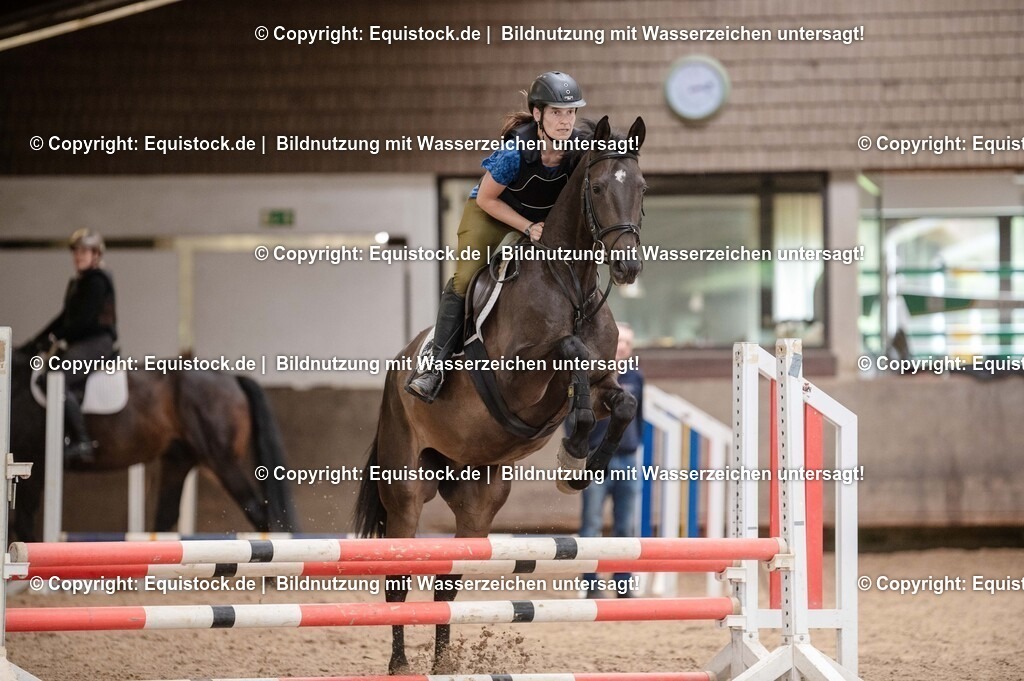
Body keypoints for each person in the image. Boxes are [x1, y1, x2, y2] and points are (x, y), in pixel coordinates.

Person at [406, 70, 588, 403]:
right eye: (557, 113)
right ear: (538, 114)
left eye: (571, 112)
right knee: (465, 279)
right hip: (493, 211)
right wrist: (527, 227)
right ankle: (434, 366)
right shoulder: (515, 151)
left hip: (541, 215)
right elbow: (488, 199)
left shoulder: (579, 147)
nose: (565, 121)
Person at [28, 228, 117, 467]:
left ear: (96, 254)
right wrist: (36, 341)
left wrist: (55, 337)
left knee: (56, 377)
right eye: (76, 251)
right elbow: (65, 318)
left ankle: (82, 440)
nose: (79, 256)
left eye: (84, 251)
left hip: (97, 342)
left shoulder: (97, 281)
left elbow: (83, 321)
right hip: (82, 341)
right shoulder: (78, 283)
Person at [574, 322, 644, 598]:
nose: (622, 347)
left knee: (625, 525)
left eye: (627, 343)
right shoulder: (591, 377)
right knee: (591, 522)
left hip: (628, 458)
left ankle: (623, 582)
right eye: (619, 342)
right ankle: (590, 583)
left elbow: (640, 414)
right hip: (595, 460)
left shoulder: (636, 377)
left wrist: (635, 443)